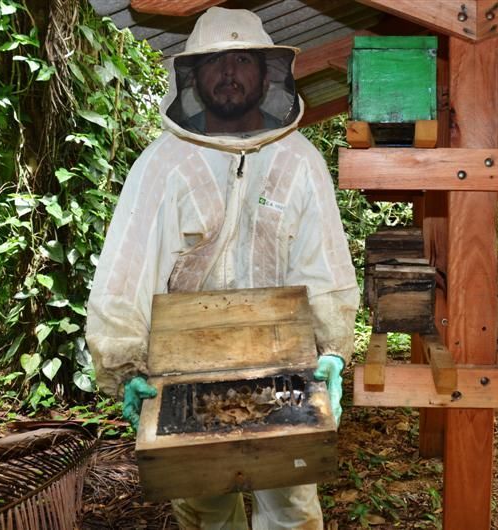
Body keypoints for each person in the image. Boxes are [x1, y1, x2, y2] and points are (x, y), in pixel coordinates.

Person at [85, 7, 359, 530]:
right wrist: (126, 364)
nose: (229, 72)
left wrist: (330, 353)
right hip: (188, 372)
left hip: (287, 370)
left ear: (266, 72)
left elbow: (324, 265)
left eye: (242, 59)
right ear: (192, 76)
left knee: (293, 510)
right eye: (215, 62)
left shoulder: (299, 161)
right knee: (206, 509)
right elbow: (128, 270)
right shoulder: (162, 165)